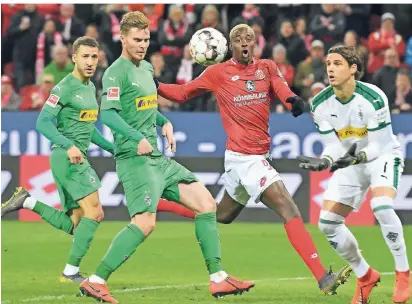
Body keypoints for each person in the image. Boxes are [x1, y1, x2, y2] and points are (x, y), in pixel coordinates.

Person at [156, 23, 351, 296]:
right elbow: (182, 92)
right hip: (245, 159)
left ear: (255, 43)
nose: (244, 42)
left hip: (245, 158)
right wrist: (153, 85)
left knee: (220, 215)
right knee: (289, 209)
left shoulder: (267, 67)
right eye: (238, 38)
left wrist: (292, 101)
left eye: (249, 37)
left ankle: (159, 205)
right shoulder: (218, 73)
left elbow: (282, 89)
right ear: (230, 46)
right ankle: (323, 278)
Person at [78, 12, 254, 304]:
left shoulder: (146, 68)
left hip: (157, 158)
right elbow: (107, 114)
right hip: (134, 159)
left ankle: (218, 278)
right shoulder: (115, 73)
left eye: (146, 39)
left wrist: (164, 123)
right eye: (136, 39)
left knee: (206, 204)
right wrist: (137, 139)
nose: (142, 44)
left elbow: (146, 107)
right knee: (145, 223)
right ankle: (96, 281)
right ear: (122, 38)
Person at [297, 45, 410, 304]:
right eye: (328, 64)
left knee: (381, 206)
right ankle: (365, 275)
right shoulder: (319, 104)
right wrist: (325, 160)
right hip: (351, 161)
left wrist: (355, 157)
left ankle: (403, 272)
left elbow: (378, 146)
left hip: (381, 156)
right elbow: (334, 144)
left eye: (337, 63)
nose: (331, 69)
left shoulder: (373, 97)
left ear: (353, 69)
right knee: (327, 224)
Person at [1, 37, 115, 283]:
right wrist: (69, 145)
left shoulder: (88, 88)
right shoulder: (64, 87)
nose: (90, 62)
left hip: (74, 156)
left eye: (94, 57)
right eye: (85, 56)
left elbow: (89, 128)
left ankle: (28, 201)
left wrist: (112, 148)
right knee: (95, 212)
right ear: (74, 57)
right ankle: (70, 272)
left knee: (77, 224)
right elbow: (42, 122)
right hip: (68, 158)